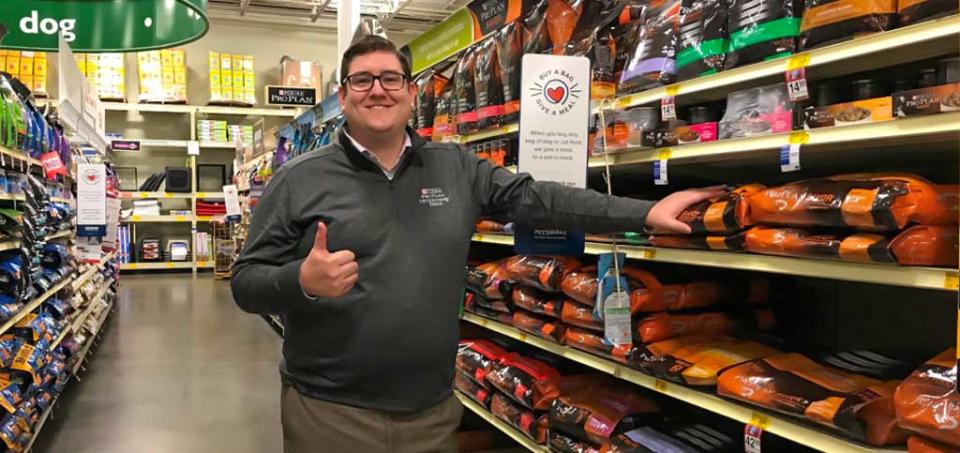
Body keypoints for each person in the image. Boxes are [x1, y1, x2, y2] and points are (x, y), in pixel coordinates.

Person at [232, 35, 726, 453]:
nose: (377, 90)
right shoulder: (299, 179)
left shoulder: (456, 167)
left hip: (430, 413)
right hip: (329, 413)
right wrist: (302, 281)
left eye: (390, 79)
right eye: (362, 80)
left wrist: (645, 212)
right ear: (345, 93)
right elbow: (246, 282)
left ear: (409, 92)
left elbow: (541, 199)